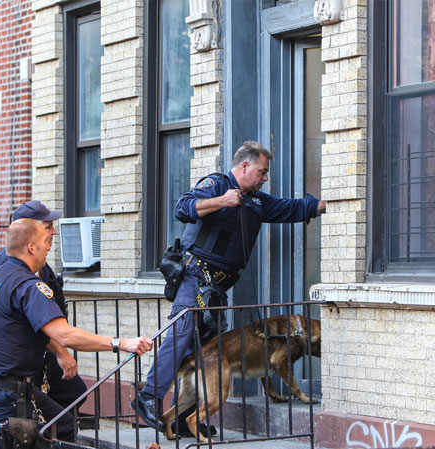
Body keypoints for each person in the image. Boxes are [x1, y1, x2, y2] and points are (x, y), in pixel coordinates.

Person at [131, 140, 326, 432]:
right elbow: (183, 207)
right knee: (182, 336)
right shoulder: (217, 184)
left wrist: (330, 203)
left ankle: (184, 419)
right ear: (244, 166)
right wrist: (221, 201)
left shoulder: (258, 201)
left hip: (217, 289)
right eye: (262, 171)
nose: (265, 177)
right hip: (196, 280)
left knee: (202, 352)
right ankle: (148, 396)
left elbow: (291, 208)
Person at [0, 219, 152, 449]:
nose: (49, 248)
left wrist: (60, 355)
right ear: (31, 247)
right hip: (7, 392)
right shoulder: (27, 286)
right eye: (46, 242)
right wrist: (121, 343)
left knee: (60, 426)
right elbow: (64, 334)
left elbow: (25, 330)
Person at [0, 201, 87, 422]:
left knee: (72, 394)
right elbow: (30, 320)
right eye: (47, 226)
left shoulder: (23, 261)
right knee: (69, 396)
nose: (53, 231)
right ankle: (51, 444)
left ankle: (51, 438)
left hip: (39, 352)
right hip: (32, 354)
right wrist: (62, 353)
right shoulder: (17, 265)